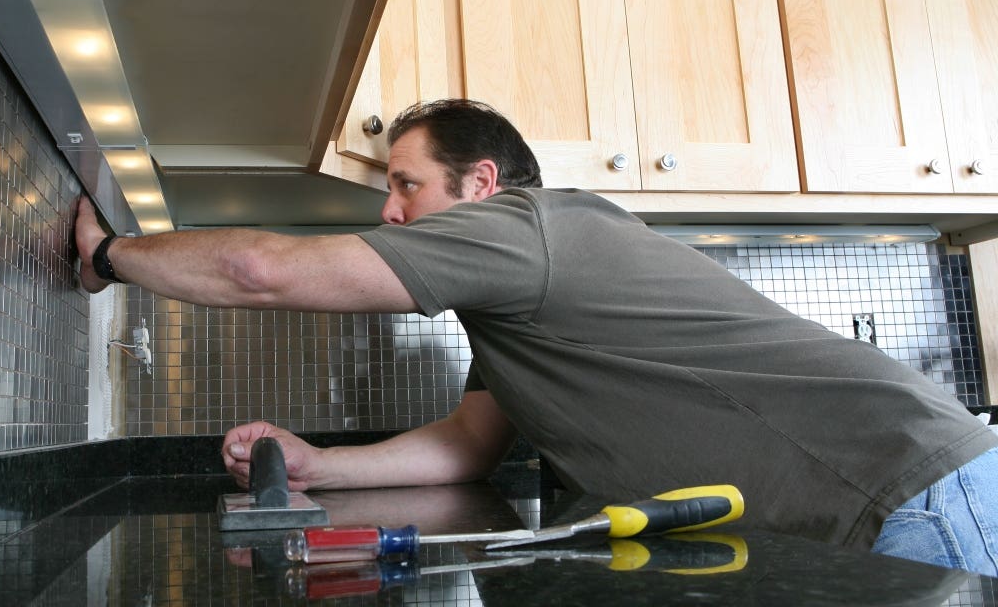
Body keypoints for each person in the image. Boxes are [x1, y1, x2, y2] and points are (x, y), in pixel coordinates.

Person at [76, 98, 998, 576]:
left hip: (919, 495)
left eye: (406, 186)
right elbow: (469, 445)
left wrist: (109, 252)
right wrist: (319, 463)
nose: (391, 215)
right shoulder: (516, 301)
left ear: (481, 184)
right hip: (912, 501)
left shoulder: (526, 231)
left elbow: (263, 270)